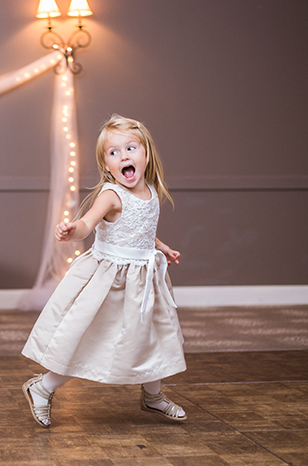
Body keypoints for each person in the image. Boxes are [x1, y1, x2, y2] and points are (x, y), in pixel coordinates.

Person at [21, 114, 187, 427]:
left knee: (153, 335)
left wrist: (160, 246)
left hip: (144, 280)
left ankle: (152, 395)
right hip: (111, 282)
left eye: (131, 148)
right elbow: (87, 223)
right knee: (89, 339)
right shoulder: (111, 194)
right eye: (114, 152)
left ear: (146, 155)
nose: (124, 156)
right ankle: (42, 388)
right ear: (106, 165)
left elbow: (141, 228)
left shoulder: (150, 191)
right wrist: (73, 231)